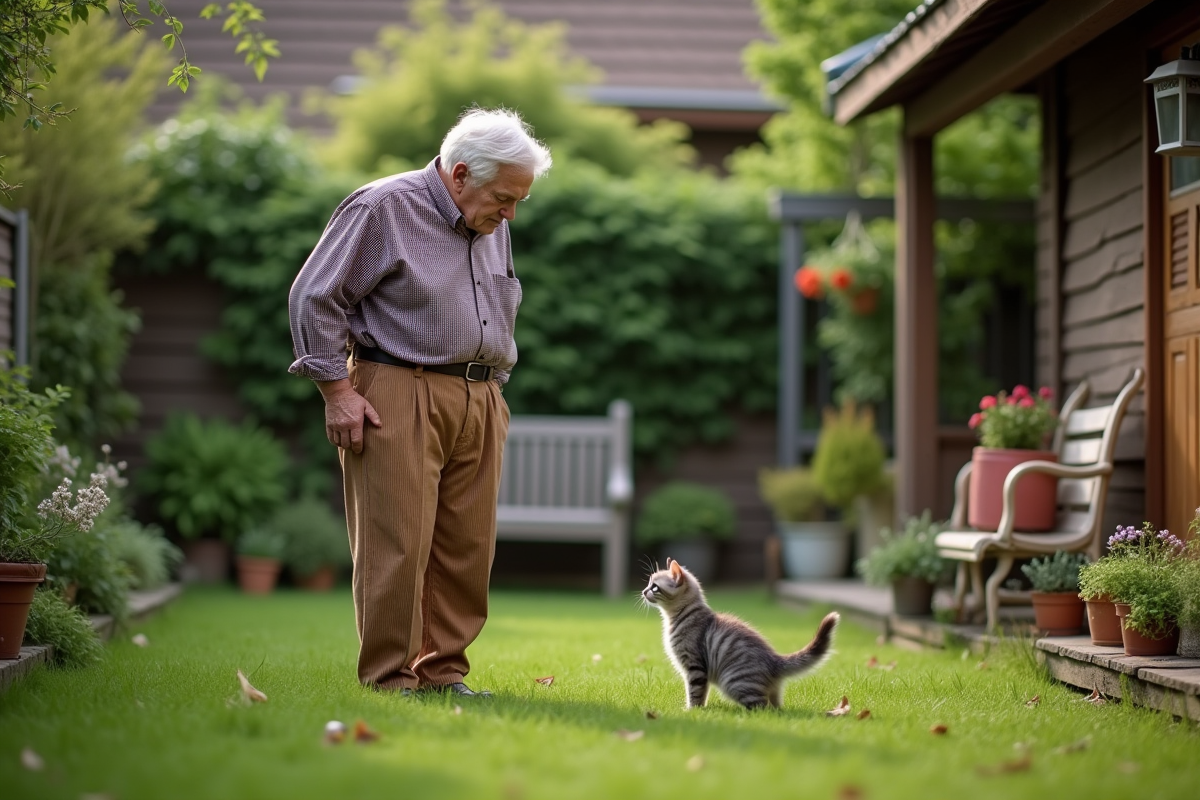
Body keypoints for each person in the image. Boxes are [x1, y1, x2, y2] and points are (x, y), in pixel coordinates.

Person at [288, 108, 552, 696]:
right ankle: (390, 678)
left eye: (519, 201)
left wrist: (489, 395)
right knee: (397, 545)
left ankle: (442, 674)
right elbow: (314, 296)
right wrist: (336, 391)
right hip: (397, 389)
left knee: (467, 549)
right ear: (460, 175)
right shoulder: (382, 207)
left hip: (480, 396)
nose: (510, 214)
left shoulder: (492, 222)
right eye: (504, 198)